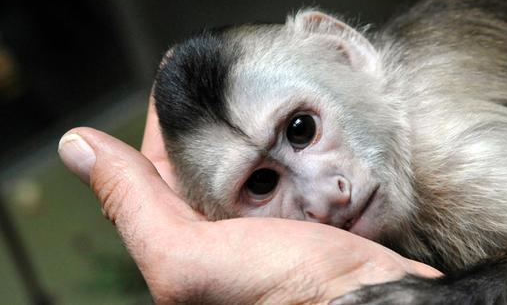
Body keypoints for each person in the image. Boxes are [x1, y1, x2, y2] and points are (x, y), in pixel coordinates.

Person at [57, 96, 441, 304]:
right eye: (260, 183)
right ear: (215, 218)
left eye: (301, 129)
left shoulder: (436, 138)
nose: (325, 200)